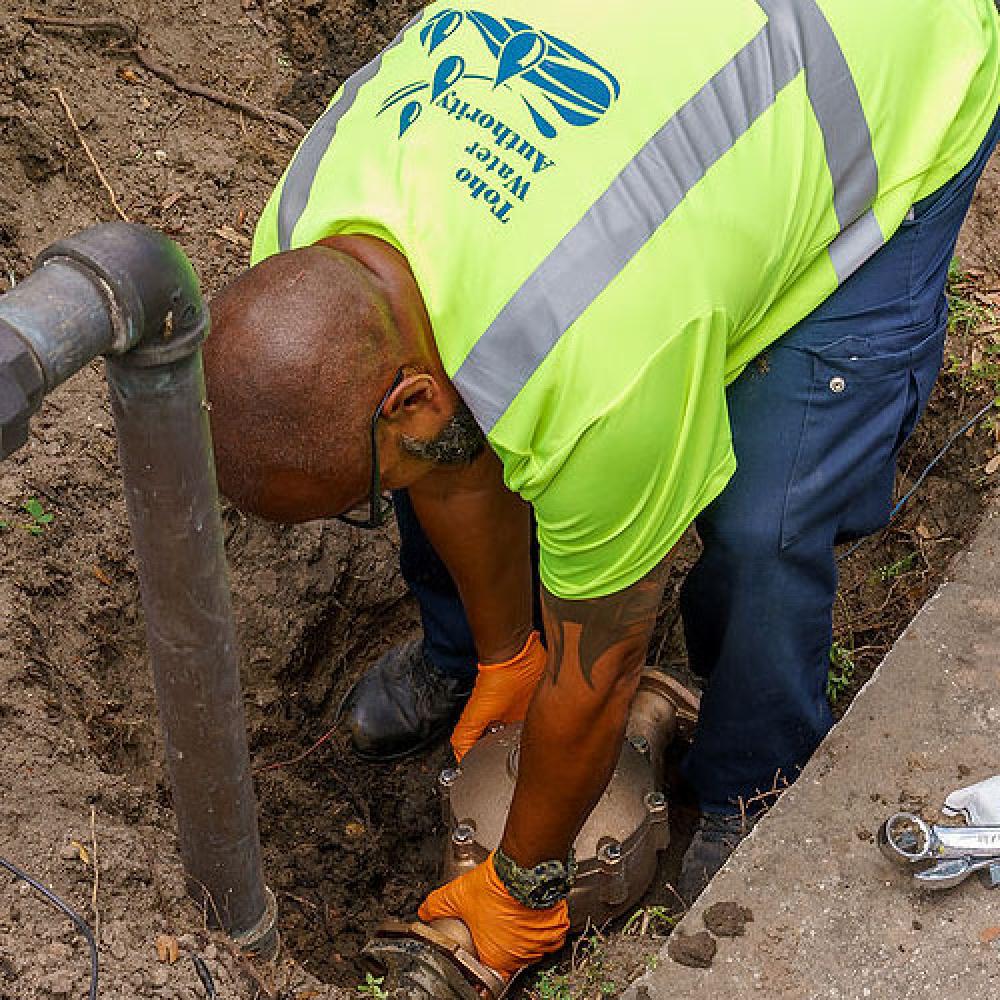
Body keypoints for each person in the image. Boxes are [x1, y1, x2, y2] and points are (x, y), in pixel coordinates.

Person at [203, 0, 1000, 981]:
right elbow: (444, 446)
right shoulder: (302, 228)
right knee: (448, 443)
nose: (376, 500)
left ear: (406, 392)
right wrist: (507, 655)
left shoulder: (596, 369)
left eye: (362, 491)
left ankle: (750, 781)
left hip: (882, 71)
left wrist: (524, 883)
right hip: (672, 120)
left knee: (761, 523)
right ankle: (469, 655)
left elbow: (601, 667)